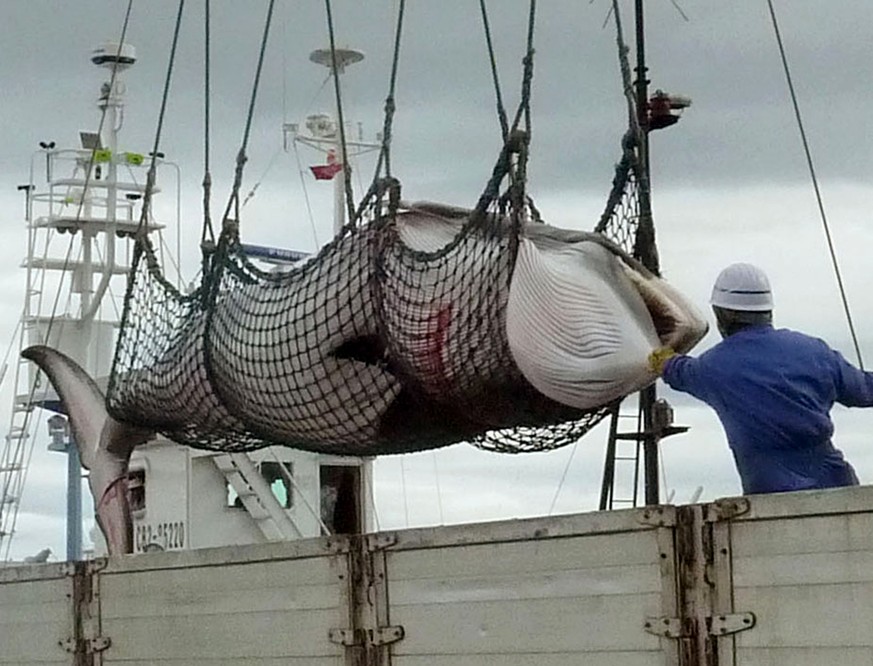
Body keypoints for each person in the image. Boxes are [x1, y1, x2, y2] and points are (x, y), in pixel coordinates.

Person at [648, 262, 871, 495]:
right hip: (840, 492)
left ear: (721, 314)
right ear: (768, 310)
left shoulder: (713, 367)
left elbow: (677, 370)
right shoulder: (815, 351)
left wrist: (660, 359)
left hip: (769, 498)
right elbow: (865, 389)